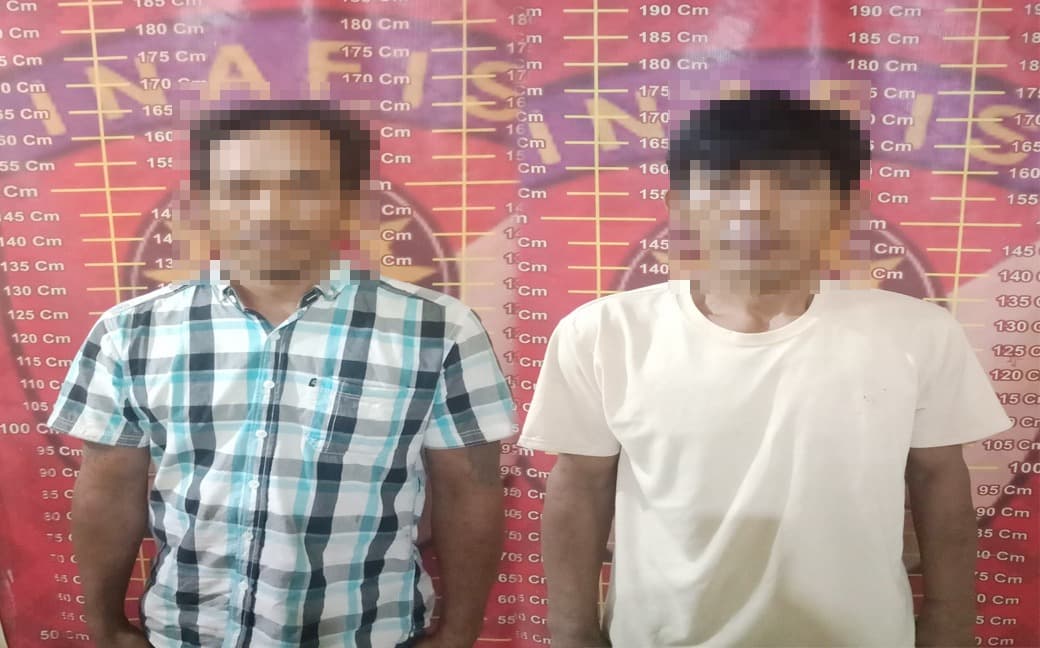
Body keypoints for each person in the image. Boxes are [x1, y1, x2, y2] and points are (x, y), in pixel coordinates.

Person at [519, 90, 1011, 647]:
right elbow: (580, 486)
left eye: (796, 183)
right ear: (679, 203)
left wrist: (950, 621)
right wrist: (571, 630)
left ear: (846, 206)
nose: (755, 206)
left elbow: (939, 480)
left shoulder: (917, 333)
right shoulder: (605, 333)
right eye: (723, 182)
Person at [48, 100, 516, 648]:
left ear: (350, 201)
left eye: (304, 185)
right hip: (187, 632)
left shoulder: (439, 329)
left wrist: (459, 632)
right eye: (241, 187)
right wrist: (105, 626)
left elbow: (470, 490)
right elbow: (109, 488)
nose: (271, 211)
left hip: (368, 632)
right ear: (202, 204)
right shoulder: (130, 330)